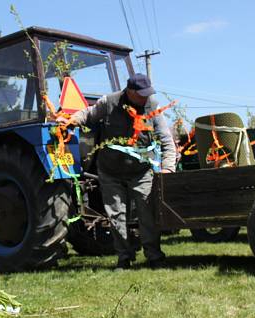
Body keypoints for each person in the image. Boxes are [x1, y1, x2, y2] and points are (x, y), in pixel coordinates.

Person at [65, 73, 176, 270]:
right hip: (110, 172)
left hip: (141, 172)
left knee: (147, 215)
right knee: (116, 216)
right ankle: (124, 258)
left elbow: (166, 139)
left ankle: (154, 256)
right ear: (130, 91)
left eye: (147, 93)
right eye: (141, 94)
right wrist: (74, 119)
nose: (145, 97)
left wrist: (168, 167)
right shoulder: (109, 102)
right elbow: (88, 114)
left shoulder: (152, 105)